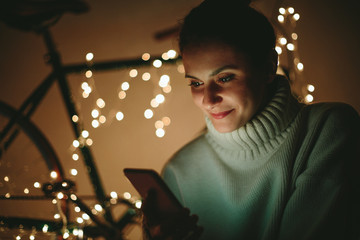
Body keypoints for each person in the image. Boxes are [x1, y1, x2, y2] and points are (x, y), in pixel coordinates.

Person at [142, 0, 360, 239]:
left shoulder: (328, 130)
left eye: (225, 78)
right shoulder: (178, 170)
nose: (208, 99)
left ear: (269, 67)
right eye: (196, 83)